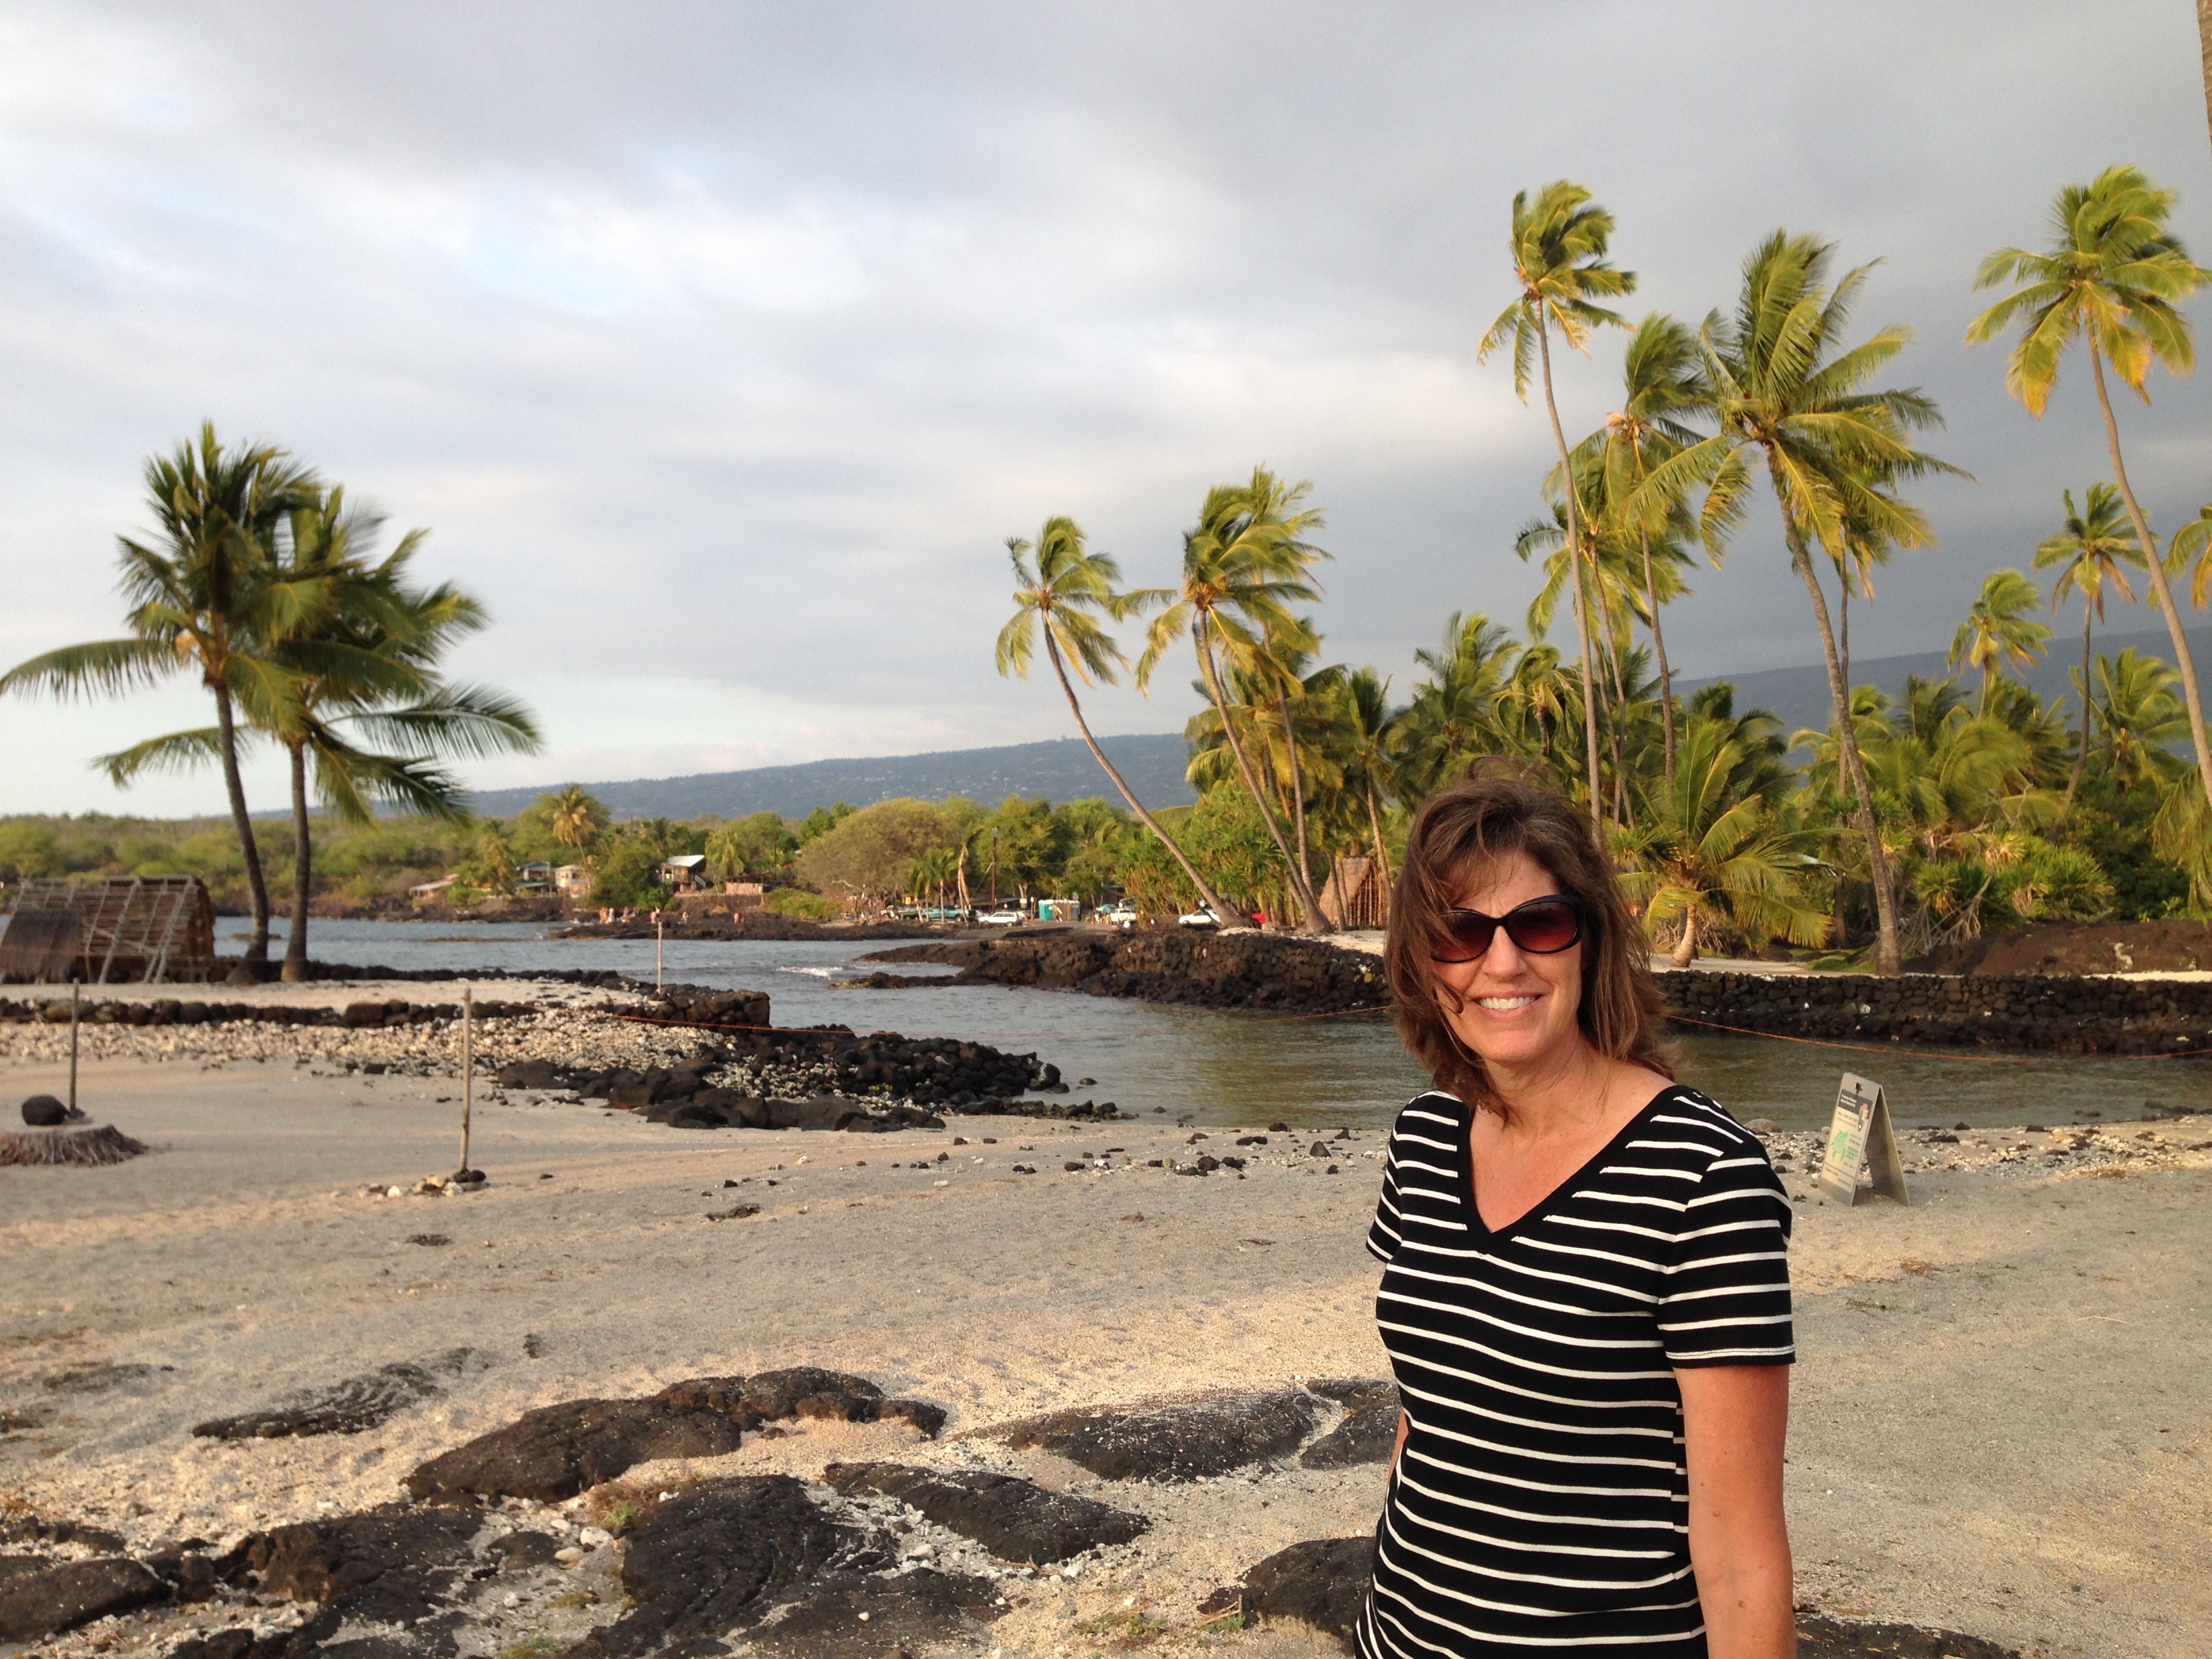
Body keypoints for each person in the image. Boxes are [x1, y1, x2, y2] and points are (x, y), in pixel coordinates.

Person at [1359, 773, 1796, 1659]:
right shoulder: (1423, 1138)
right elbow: (1431, 1405)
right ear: (1422, 959)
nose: (1504, 963)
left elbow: (1741, 1550)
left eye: (1540, 924)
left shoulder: (1703, 1176)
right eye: (1461, 934)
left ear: (1588, 942)